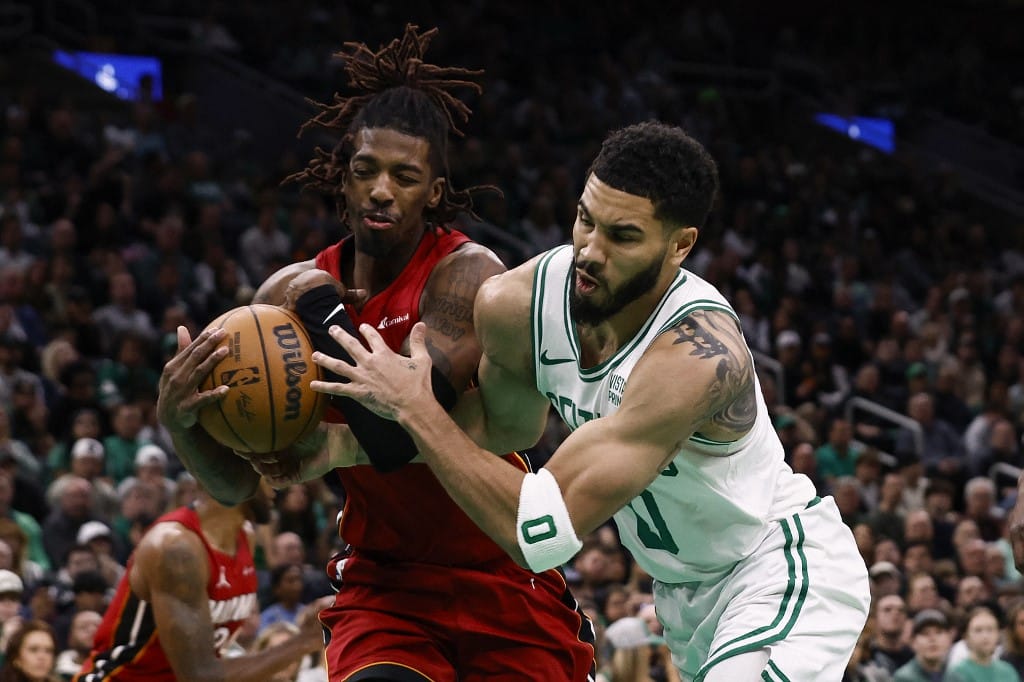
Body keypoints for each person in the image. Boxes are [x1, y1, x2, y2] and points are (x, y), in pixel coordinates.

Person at [309, 121, 871, 680]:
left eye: (623, 237)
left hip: (776, 564)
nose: (590, 252)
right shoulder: (517, 303)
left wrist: (415, 407)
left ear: (681, 245)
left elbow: (541, 533)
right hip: (682, 598)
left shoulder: (696, 357)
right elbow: (501, 430)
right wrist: (341, 445)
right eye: (585, 220)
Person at [156, 25, 595, 681]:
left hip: (500, 570)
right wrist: (184, 425)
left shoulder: (468, 277)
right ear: (343, 177)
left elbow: (395, 436)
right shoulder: (284, 293)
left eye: (403, 175)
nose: (381, 190)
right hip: (386, 586)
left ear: (435, 192)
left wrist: (325, 317)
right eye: (364, 171)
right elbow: (244, 484)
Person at [73, 482, 323, 681]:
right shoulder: (174, 547)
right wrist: (304, 640)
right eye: (266, 471)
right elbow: (199, 675)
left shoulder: (245, 536)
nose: (277, 483)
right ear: (237, 469)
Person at [946, 606, 1021, 681]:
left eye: (990, 629)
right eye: (978, 630)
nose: (985, 636)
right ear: (966, 636)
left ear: (998, 634)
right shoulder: (958, 673)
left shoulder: (1008, 671)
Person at [893, 609, 954, 681]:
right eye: (925, 633)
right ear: (913, 642)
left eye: (938, 632)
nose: (932, 639)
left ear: (949, 639)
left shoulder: (954, 676)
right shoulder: (904, 678)